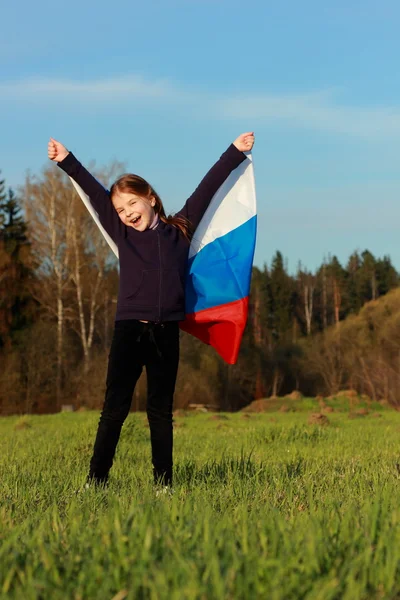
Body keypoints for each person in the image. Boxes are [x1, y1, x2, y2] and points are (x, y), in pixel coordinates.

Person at [48, 132, 255, 490]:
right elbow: (95, 192)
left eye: (132, 205)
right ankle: (96, 481)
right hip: (129, 331)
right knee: (114, 409)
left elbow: (207, 188)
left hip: (165, 334)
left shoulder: (181, 230)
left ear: (150, 198)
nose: (127, 214)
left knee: (160, 413)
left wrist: (234, 152)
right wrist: (67, 159)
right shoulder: (123, 236)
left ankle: (164, 485)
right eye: (121, 211)